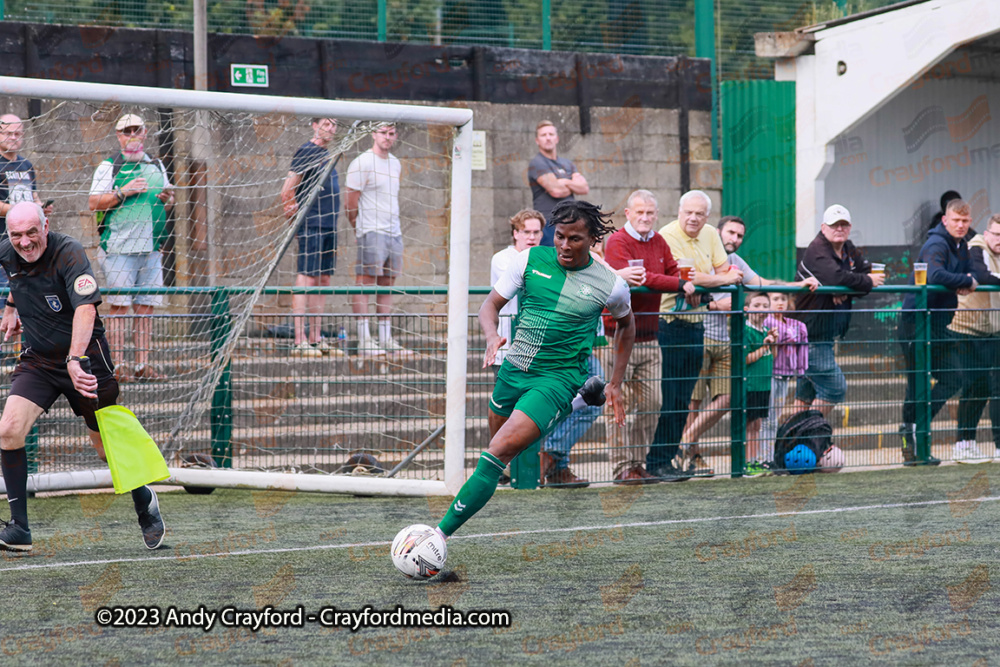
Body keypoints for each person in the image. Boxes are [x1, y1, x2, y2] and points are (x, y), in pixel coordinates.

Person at [433, 200, 634, 540]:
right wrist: (492, 335)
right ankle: (580, 402)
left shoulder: (610, 284)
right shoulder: (528, 259)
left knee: (497, 453)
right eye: (559, 237)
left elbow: (627, 326)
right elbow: (489, 305)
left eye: (575, 239)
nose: (564, 246)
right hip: (514, 368)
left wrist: (615, 382)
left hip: (558, 378)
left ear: (592, 240)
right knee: (501, 447)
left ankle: (436, 537)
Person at [0, 202, 165, 552]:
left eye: (32, 233)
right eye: (17, 235)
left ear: (46, 225)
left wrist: (75, 359)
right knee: (9, 430)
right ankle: (19, 530)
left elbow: (86, 308)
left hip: (86, 361)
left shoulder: (69, 252)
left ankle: (144, 498)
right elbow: (17, 276)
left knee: (105, 449)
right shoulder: (8, 250)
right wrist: (11, 308)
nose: (25, 242)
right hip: (39, 362)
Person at [679, 216, 817, 471]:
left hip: (726, 340)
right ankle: (692, 457)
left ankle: (686, 442)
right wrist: (714, 305)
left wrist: (798, 284)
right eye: (731, 233)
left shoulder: (735, 262)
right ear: (718, 232)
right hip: (696, 334)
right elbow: (680, 295)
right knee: (693, 401)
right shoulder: (699, 256)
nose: (735, 239)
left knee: (728, 397)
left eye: (740, 235)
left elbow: (762, 284)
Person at [602, 189, 694, 484]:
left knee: (653, 402)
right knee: (618, 404)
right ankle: (622, 467)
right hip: (616, 336)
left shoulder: (659, 241)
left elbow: (668, 271)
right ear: (627, 214)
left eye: (650, 213)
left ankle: (639, 463)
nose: (645, 218)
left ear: (657, 215)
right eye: (639, 212)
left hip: (650, 336)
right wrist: (679, 284)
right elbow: (647, 279)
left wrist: (678, 280)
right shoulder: (617, 241)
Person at [650, 191, 742, 480]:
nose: (693, 217)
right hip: (668, 324)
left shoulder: (712, 236)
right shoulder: (666, 235)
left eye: (699, 214)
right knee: (668, 398)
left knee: (683, 400)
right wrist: (709, 282)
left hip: (696, 325)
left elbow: (725, 272)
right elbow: (685, 278)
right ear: (679, 211)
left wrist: (701, 288)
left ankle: (665, 461)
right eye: (688, 212)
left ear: (707, 217)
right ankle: (654, 462)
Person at [88, 113, 174, 382]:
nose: (133, 136)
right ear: (118, 136)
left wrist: (167, 198)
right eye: (127, 131)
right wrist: (123, 192)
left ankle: (142, 365)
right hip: (119, 248)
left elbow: (167, 202)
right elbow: (93, 203)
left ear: (146, 133)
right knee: (120, 307)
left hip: (152, 248)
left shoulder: (157, 165)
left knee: (146, 307)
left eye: (137, 130)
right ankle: (118, 366)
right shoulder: (109, 166)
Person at [898, 198, 976, 466]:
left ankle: (916, 426)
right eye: (956, 220)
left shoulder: (961, 244)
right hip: (915, 322)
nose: (961, 225)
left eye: (965, 221)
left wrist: (966, 279)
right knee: (917, 382)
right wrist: (964, 282)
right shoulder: (936, 243)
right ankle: (913, 439)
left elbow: (971, 271)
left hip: (938, 324)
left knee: (953, 378)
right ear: (945, 220)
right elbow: (935, 275)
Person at [793, 204, 881, 418]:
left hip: (823, 334)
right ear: (823, 228)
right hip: (809, 335)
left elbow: (862, 274)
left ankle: (785, 442)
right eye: (834, 225)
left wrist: (847, 289)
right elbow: (837, 278)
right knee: (834, 389)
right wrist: (858, 283)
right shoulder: (817, 249)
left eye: (843, 225)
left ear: (849, 228)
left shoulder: (848, 247)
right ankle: (803, 435)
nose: (839, 229)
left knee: (804, 398)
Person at [281, 117, 342, 357]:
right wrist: (296, 224)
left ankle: (316, 338)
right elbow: (287, 191)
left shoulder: (328, 154)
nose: (331, 128)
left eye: (334, 124)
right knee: (306, 278)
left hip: (329, 226)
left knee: (323, 280)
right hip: (311, 224)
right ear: (315, 125)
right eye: (326, 123)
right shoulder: (306, 151)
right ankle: (300, 340)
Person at [345, 123, 406, 356]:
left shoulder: (396, 163)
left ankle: (385, 337)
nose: (387, 138)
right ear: (373, 134)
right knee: (365, 281)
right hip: (371, 229)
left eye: (391, 134)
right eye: (383, 133)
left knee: (388, 283)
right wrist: (359, 227)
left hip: (394, 232)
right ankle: (364, 338)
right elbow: (350, 201)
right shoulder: (362, 162)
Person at [949, 213, 1000, 463]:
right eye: (997, 235)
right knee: (973, 387)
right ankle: (963, 443)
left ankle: (994, 447)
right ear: (987, 234)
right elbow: (981, 275)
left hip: (993, 331)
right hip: (966, 331)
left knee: (992, 389)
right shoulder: (976, 247)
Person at [0, 114, 55, 281]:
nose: (13, 138)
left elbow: (34, 196)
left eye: (17, 134)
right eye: (8, 133)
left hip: (26, 243)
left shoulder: (26, 164)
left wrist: (40, 208)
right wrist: (22, 211)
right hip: (2, 240)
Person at [490, 209, 544, 367]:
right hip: (508, 344)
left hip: (538, 346)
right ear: (515, 234)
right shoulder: (502, 258)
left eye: (536, 232)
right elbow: (524, 282)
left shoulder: (545, 257)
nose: (532, 237)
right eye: (526, 232)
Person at [761, 290, 809, 461]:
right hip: (770, 376)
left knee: (775, 416)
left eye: (783, 298)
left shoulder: (797, 326)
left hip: (786, 376)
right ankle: (764, 457)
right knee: (768, 418)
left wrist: (801, 370)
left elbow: (802, 347)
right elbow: (780, 335)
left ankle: (769, 457)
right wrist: (791, 333)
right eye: (775, 299)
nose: (780, 302)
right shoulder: (766, 321)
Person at [527, 121, 589, 245]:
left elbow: (584, 188)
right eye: (543, 135)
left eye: (551, 134)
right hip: (550, 223)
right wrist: (572, 185)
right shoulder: (537, 163)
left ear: (557, 138)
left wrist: (564, 182)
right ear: (537, 140)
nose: (548, 138)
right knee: (553, 260)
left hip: (572, 220)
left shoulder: (567, 163)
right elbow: (556, 191)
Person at [743, 292, 778, 474]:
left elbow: (773, 356)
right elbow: (746, 359)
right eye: (757, 306)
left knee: (757, 425)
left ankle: (755, 461)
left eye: (765, 306)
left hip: (764, 386)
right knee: (750, 425)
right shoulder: (746, 331)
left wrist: (773, 342)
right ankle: (747, 463)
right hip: (751, 386)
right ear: (747, 309)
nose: (762, 310)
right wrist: (764, 345)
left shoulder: (765, 331)